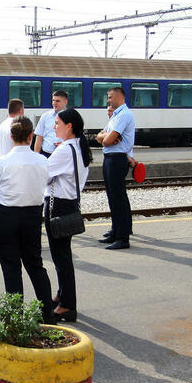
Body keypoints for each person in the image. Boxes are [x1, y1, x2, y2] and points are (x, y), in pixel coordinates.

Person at [0, 116, 55, 317]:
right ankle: (47, 315)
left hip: (5, 216)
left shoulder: (1, 162)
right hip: (32, 216)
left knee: (11, 266)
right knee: (35, 264)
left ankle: (16, 317)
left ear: (11, 136)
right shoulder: (43, 160)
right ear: (31, 136)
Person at [44, 108, 91, 324]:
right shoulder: (79, 147)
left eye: (57, 123)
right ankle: (62, 295)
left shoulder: (64, 150)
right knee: (63, 256)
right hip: (69, 204)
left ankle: (68, 305)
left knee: (61, 258)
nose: (54, 127)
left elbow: (43, 175)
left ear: (68, 126)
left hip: (58, 206)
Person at [96, 87, 135, 250]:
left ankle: (122, 237)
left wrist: (106, 137)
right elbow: (100, 136)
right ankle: (115, 231)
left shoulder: (124, 115)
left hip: (117, 159)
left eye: (110, 97)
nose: (108, 100)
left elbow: (105, 140)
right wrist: (105, 137)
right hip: (111, 158)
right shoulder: (117, 115)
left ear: (119, 96)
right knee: (113, 197)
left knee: (117, 198)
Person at [34, 90, 68, 158]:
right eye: (53, 100)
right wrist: (36, 156)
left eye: (57, 101)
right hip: (46, 154)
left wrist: (65, 144)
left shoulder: (71, 117)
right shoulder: (45, 116)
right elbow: (39, 137)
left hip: (63, 155)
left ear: (65, 102)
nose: (54, 103)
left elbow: (75, 138)